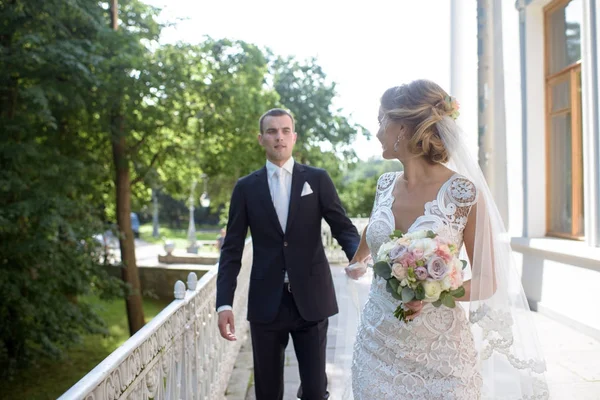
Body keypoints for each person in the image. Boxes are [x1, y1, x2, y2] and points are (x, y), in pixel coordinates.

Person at [345, 80, 548, 399]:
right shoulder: (385, 184)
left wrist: (433, 291)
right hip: (376, 344)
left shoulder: (463, 193)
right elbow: (374, 230)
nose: (377, 132)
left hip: (441, 356)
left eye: (381, 120)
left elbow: (486, 282)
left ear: (402, 126)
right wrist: (357, 260)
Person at [216, 108, 360, 400]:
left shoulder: (317, 180)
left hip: (312, 300)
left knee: (316, 392)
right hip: (266, 304)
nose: (278, 137)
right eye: (271, 131)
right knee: (267, 392)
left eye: (284, 131)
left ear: (294, 137)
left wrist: (359, 259)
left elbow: (342, 227)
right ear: (261, 139)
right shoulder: (245, 188)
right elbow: (231, 249)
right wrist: (223, 304)